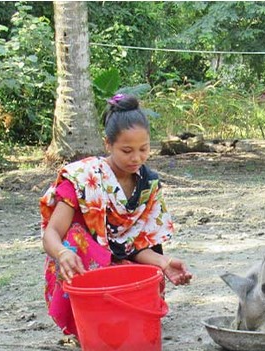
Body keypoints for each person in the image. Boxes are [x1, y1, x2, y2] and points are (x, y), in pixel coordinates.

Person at [40, 93, 192, 337]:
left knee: (152, 279)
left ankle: (111, 320)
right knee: (76, 238)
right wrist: (62, 252)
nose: (136, 158)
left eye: (144, 149)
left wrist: (164, 263)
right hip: (84, 264)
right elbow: (52, 234)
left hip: (117, 265)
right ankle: (85, 321)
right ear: (107, 144)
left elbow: (135, 246)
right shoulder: (82, 178)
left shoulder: (148, 185)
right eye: (127, 150)